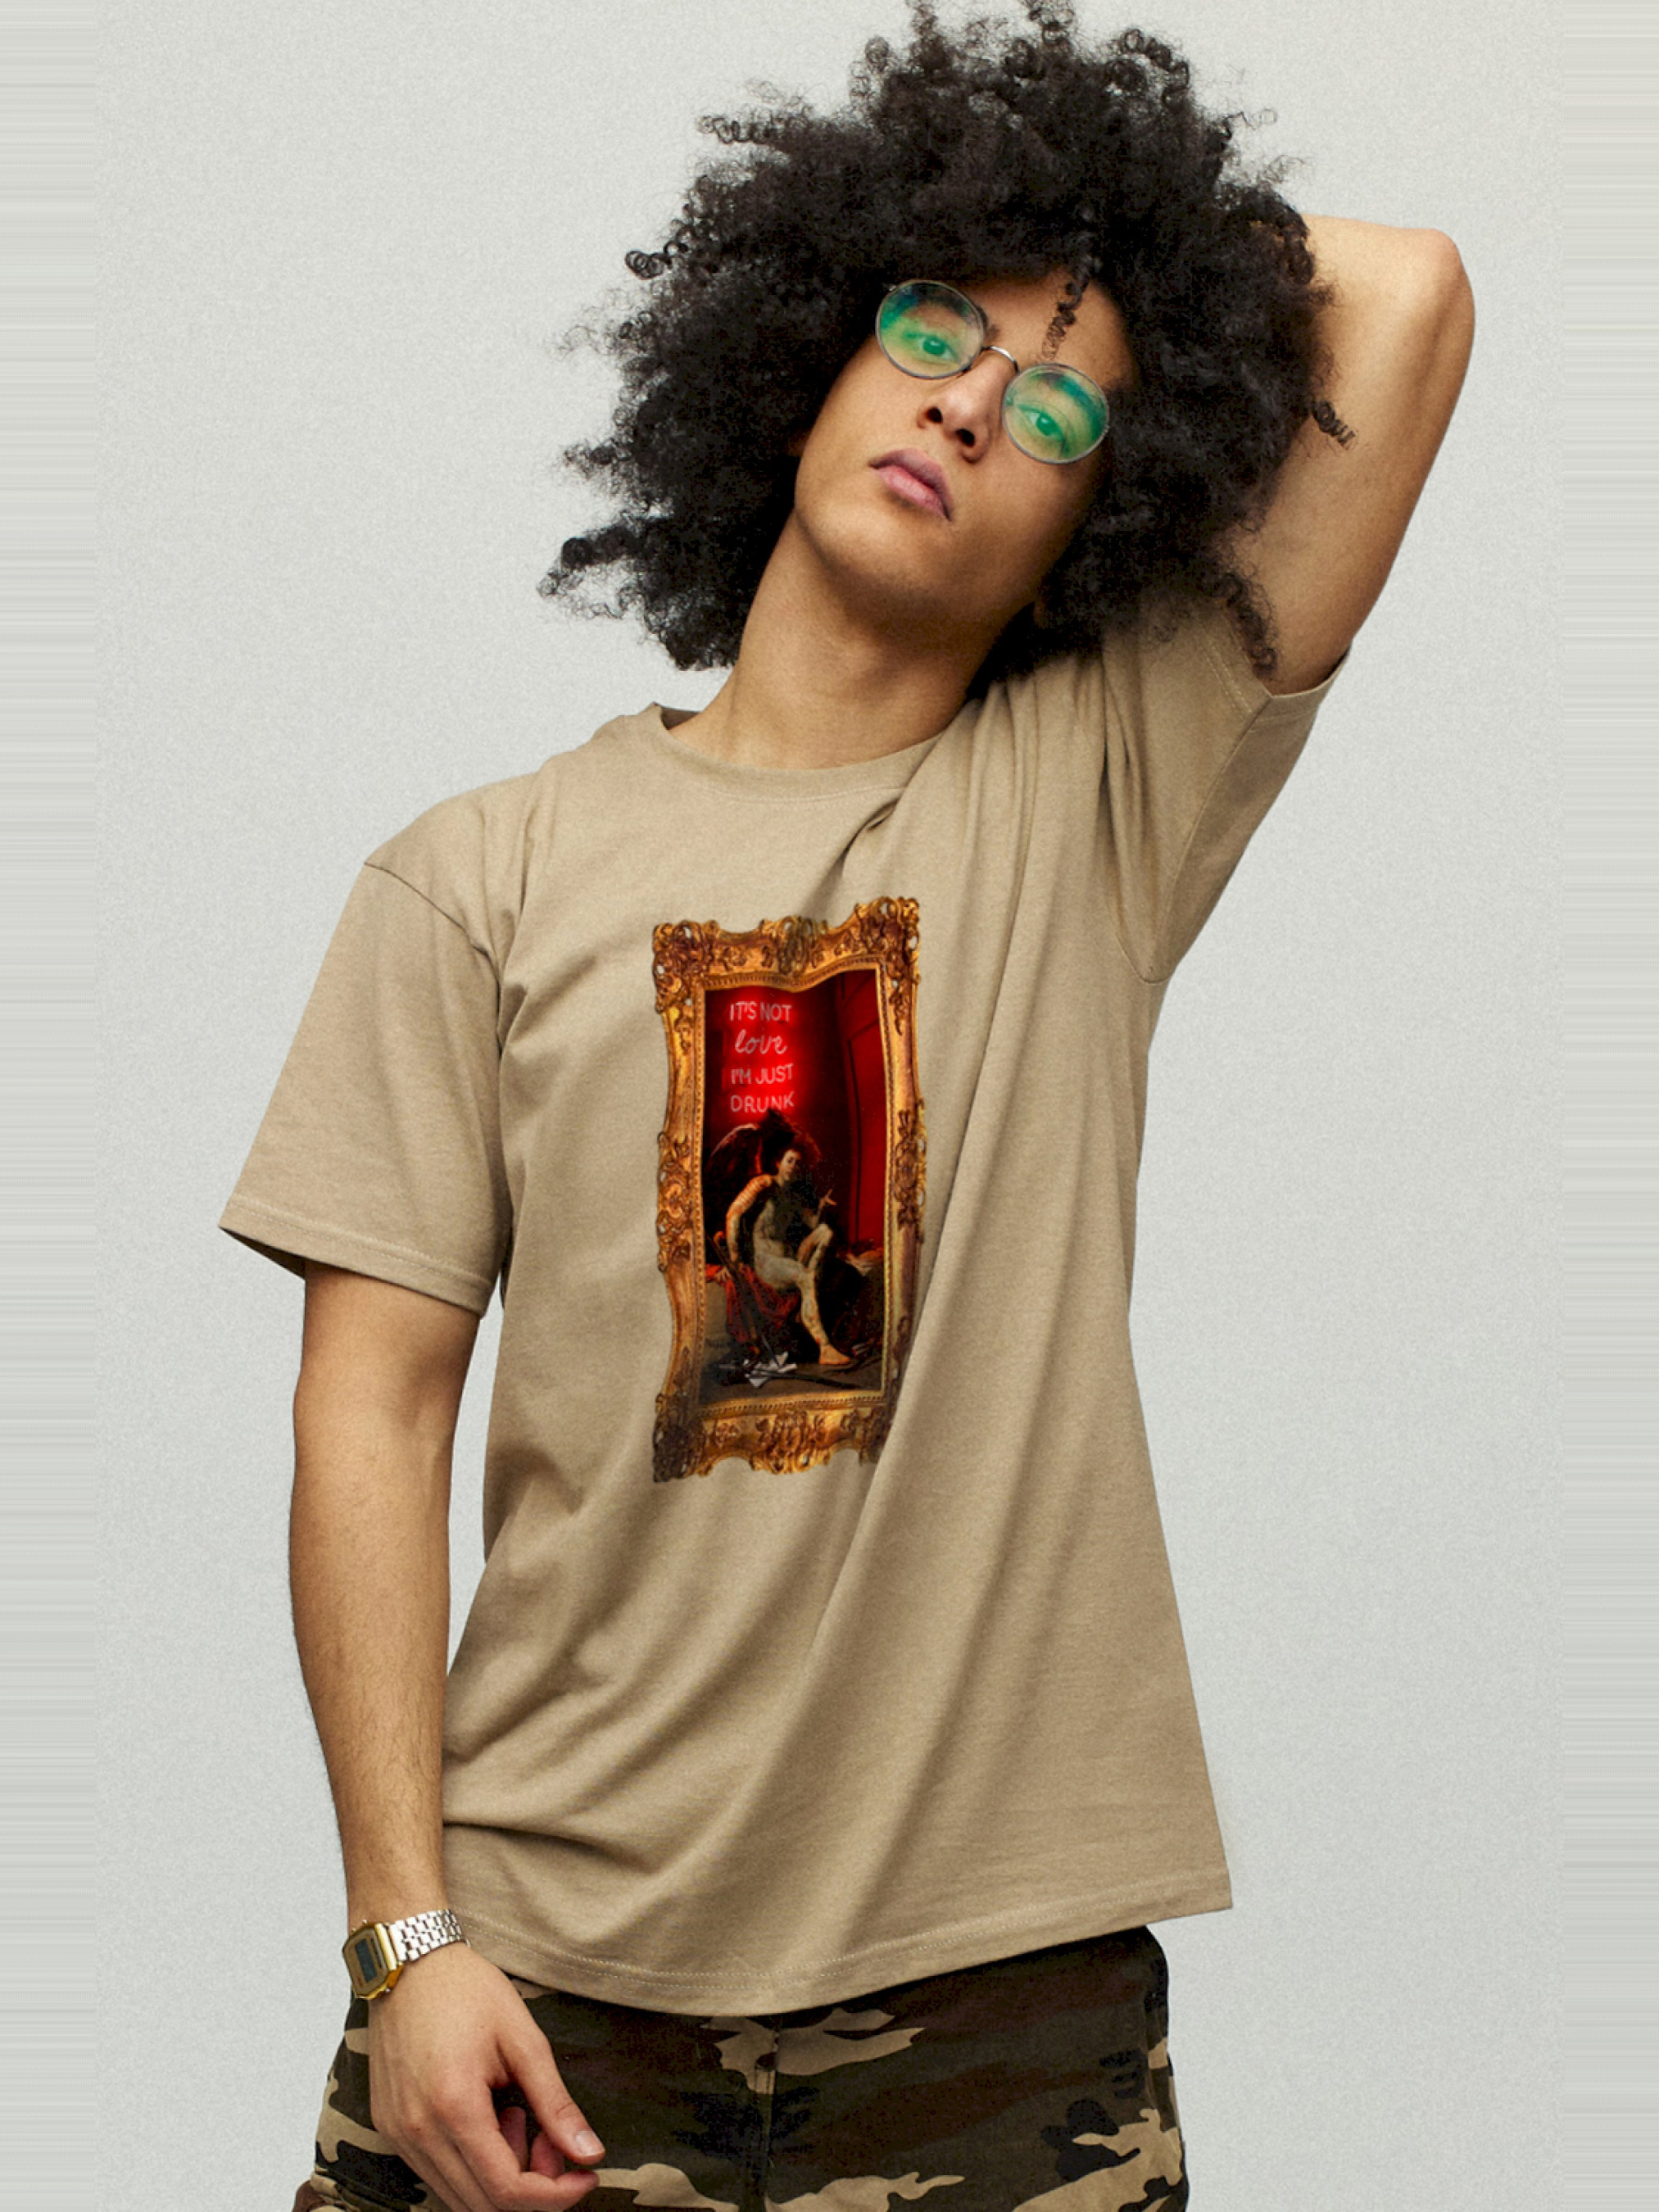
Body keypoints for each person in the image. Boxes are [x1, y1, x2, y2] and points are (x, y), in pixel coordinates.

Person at [219, 7, 1474, 2209]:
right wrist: (404, 1935)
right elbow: (371, 1415)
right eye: (927, 326)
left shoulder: (1101, 787)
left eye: (1058, 408)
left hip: (1000, 2008)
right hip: (536, 1977)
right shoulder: (472, 877)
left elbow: (1409, 293)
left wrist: (1127, 241)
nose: (972, 400)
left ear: (1101, 523)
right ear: (804, 352)